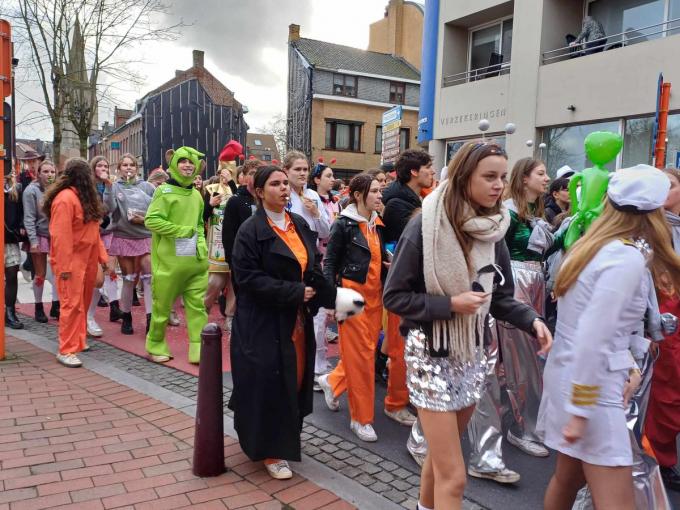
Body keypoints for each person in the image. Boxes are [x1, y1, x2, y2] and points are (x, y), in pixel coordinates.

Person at [383, 141, 552, 509]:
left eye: (503, 178)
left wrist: (532, 320)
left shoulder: (495, 229)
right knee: (454, 475)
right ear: (464, 177)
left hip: (472, 355)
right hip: (431, 355)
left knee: (439, 461)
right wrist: (450, 305)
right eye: (489, 176)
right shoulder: (424, 225)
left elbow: (502, 298)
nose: (498, 186)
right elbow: (394, 297)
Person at [538, 165, 680, 510]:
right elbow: (593, 336)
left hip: (575, 379)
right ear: (655, 213)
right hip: (592, 390)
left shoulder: (597, 246)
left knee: (567, 480)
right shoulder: (624, 257)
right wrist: (582, 410)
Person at [228, 166, 338, 480]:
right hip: (262, 323)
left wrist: (335, 297)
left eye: (285, 184)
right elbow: (247, 279)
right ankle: (269, 450)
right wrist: (293, 292)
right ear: (259, 191)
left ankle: (284, 438)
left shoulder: (300, 224)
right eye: (275, 184)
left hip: (295, 320)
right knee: (268, 383)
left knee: (296, 378)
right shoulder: (250, 231)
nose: (283, 189)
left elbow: (312, 270)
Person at [318, 174, 388, 441]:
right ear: (359, 195)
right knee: (362, 360)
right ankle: (361, 418)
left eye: (381, 192)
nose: (380, 196)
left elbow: (375, 256)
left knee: (365, 355)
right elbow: (330, 263)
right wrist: (329, 299)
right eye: (375, 192)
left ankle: (332, 381)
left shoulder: (377, 224)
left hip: (375, 297)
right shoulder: (344, 224)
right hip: (350, 293)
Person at [500, 157, 552, 458]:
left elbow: (542, 252)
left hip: (535, 282)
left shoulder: (534, 211)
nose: (546, 179)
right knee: (523, 359)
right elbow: (499, 251)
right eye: (541, 174)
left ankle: (521, 420)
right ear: (524, 179)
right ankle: (522, 427)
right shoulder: (507, 210)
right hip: (515, 283)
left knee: (529, 357)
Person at [383, 149, 434, 431]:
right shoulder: (398, 203)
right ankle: (395, 403)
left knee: (401, 346)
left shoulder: (415, 198)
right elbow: (413, 241)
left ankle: (404, 394)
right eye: (428, 167)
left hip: (413, 284)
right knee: (400, 348)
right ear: (414, 172)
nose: (433, 172)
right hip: (402, 286)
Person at [144, 147, 209, 364]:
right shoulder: (163, 192)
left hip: (195, 262)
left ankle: (199, 347)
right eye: (183, 161)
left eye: (192, 162)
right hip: (169, 262)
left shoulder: (196, 195)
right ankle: (155, 343)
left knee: (197, 307)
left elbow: (199, 224)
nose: (188, 166)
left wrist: (201, 244)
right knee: (162, 306)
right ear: (174, 164)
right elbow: (151, 220)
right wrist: (181, 231)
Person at [43, 158, 109, 368]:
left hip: (85, 257)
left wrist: (102, 258)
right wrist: (63, 268)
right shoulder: (66, 199)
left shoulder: (82, 198)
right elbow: (60, 238)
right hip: (71, 260)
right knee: (71, 304)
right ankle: (66, 349)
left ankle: (77, 341)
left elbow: (93, 232)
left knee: (81, 302)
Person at [646, 167, 680, 491]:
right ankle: (660, 458)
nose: (662, 191)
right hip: (665, 312)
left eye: (669, 185)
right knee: (667, 391)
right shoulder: (651, 229)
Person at [103, 154, 155, 335]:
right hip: (124, 236)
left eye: (132, 165)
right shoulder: (114, 186)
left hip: (145, 235)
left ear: (137, 168)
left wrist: (145, 218)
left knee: (148, 275)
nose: (128, 168)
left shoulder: (147, 187)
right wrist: (108, 188)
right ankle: (126, 316)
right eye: (124, 165)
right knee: (129, 278)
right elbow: (109, 208)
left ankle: (150, 319)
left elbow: (157, 210)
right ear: (119, 168)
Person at [86, 156, 122, 337]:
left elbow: (111, 207)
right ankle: (87, 315)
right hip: (91, 235)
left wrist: (109, 187)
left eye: (106, 166)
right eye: (99, 165)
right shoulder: (87, 187)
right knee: (95, 278)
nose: (103, 168)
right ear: (93, 168)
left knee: (109, 271)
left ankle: (113, 305)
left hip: (108, 233)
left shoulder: (110, 185)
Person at [23, 159, 60, 323]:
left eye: (52, 172)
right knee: (40, 274)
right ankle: (38, 307)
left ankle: (56, 304)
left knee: (59, 272)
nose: (49, 175)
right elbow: (29, 218)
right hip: (39, 234)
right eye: (45, 171)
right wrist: (33, 241)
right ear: (38, 174)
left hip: (56, 236)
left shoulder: (57, 190)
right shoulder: (31, 191)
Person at [203, 164, 237, 326]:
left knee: (234, 284)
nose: (224, 176)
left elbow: (241, 205)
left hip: (235, 243)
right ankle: (203, 311)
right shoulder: (211, 189)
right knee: (214, 283)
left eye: (228, 173)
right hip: (216, 242)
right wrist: (209, 205)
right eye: (222, 173)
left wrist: (232, 183)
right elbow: (202, 216)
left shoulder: (236, 189)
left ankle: (230, 316)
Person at [222, 160, 261, 267]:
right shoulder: (235, 200)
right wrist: (231, 262)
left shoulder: (266, 199)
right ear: (243, 176)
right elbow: (228, 235)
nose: (256, 176)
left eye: (259, 173)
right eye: (252, 173)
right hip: (242, 260)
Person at [4, 169, 26, 329]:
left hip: (10, 240)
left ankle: (10, 312)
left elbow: (21, 213)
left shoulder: (15, 189)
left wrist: (20, 227)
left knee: (11, 275)